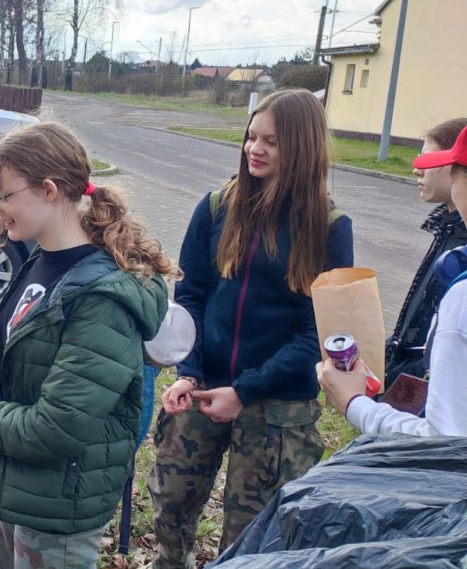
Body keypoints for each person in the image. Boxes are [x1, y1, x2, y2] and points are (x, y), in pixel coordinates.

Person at [0, 122, 174, 569]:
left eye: (3, 195)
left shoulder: (101, 298)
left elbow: (59, 426)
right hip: (27, 486)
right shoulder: (42, 260)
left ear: (48, 190)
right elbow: (21, 350)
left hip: (61, 504)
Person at [149, 89, 354, 567]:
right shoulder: (218, 206)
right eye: (251, 137)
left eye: (273, 142)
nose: (254, 149)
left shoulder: (329, 226)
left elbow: (318, 331)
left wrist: (244, 389)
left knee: (253, 538)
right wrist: (190, 371)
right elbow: (193, 294)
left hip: (276, 409)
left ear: (303, 149)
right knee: (171, 505)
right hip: (201, 389)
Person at [319, 125, 467, 437]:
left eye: (453, 172)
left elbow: (443, 442)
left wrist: (354, 402)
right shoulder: (450, 237)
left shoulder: (461, 293)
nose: (416, 169)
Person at [382, 118, 467, 388]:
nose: (418, 170)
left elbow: (442, 351)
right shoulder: (447, 228)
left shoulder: (460, 247)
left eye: (428, 161)